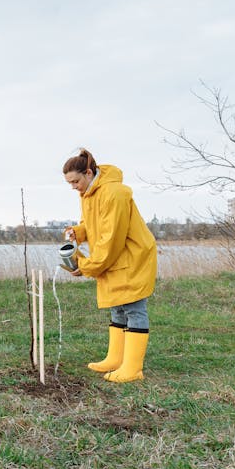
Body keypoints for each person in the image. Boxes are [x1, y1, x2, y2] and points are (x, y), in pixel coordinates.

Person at [63, 148, 156, 383]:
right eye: (69, 183)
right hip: (113, 258)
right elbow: (92, 225)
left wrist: (87, 266)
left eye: (75, 181)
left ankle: (133, 369)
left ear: (88, 172)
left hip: (130, 256)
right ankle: (116, 359)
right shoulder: (88, 194)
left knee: (134, 309)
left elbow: (110, 239)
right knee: (117, 307)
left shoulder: (114, 193)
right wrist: (78, 232)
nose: (73, 187)